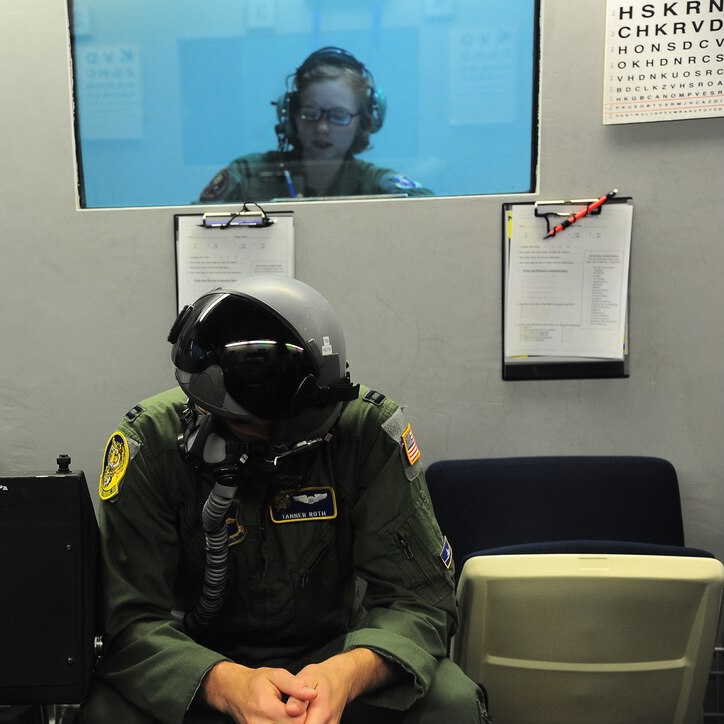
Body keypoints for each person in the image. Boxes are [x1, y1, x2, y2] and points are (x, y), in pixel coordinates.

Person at [82, 275, 487, 723]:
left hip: (332, 658)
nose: (265, 454)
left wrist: (345, 674)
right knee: (104, 713)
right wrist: (224, 683)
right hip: (192, 661)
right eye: (249, 434)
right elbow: (130, 618)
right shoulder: (151, 443)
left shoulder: (365, 434)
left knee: (452, 702)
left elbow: (420, 600)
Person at [199, 47, 432, 203]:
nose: (322, 128)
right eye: (310, 114)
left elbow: (433, 209)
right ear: (292, 114)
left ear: (363, 121)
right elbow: (191, 226)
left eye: (338, 116)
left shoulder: (373, 183)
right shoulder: (249, 174)